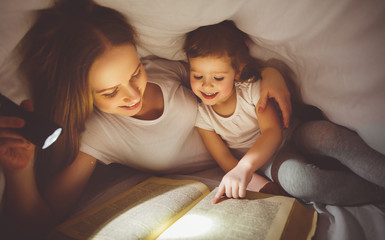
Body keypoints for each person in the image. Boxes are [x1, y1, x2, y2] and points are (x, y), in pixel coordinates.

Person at [0, 0, 292, 237]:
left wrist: (270, 73)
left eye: (135, 73)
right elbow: (42, 221)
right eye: (111, 92)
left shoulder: (163, 71)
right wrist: (19, 173)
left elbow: (222, 71)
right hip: (234, 174)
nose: (132, 95)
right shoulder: (100, 134)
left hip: (259, 145)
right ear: (82, 95)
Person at [183, 20, 288, 203]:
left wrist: (244, 168)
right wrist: (260, 185)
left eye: (218, 77)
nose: (207, 85)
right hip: (270, 162)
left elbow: (272, 131)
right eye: (198, 76)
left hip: (289, 139)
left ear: (237, 72)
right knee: (302, 180)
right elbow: (224, 159)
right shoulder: (203, 116)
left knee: (322, 136)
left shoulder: (250, 90)